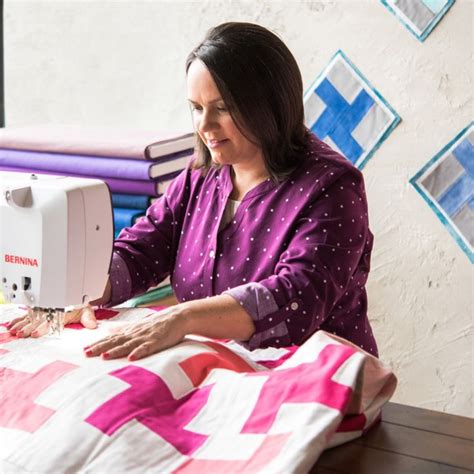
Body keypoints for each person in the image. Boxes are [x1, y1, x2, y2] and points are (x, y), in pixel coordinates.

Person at [8, 22, 378, 360]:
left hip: (317, 384)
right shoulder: (203, 174)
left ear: (270, 105)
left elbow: (296, 300)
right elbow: (144, 248)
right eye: (196, 108)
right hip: (219, 374)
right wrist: (81, 290)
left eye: (222, 108)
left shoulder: (332, 187)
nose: (205, 126)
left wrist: (181, 318)